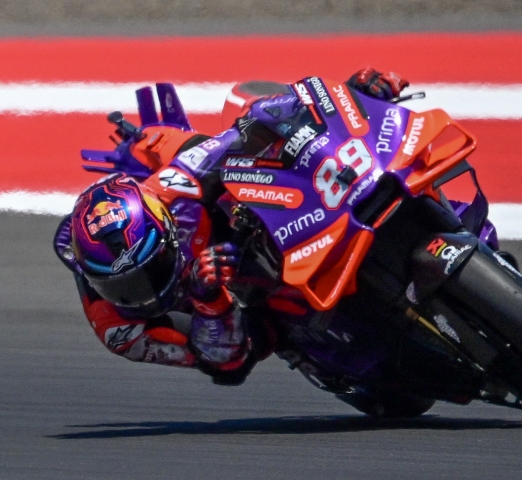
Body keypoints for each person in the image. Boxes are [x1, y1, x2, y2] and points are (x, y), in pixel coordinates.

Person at [53, 69, 410, 385]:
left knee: (255, 114)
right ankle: (312, 350)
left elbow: (236, 138)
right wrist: (209, 301)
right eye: (123, 286)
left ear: (164, 226)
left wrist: (349, 100)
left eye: (150, 269)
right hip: (235, 305)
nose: (141, 292)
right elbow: (225, 364)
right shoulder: (120, 329)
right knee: (269, 338)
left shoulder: (171, 187)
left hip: (244, 217)